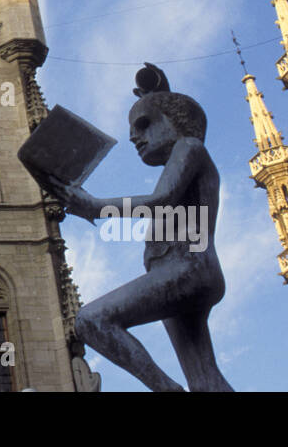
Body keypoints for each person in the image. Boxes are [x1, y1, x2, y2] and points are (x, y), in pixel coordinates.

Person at [46, 65, 233, 392]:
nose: (135, 136)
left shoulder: (189, 147)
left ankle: (166, 389)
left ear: (172, 121)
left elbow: (162, 199)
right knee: (204, 378)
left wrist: (95, 206)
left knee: (92, 320)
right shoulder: (181, 157)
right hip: (184, 273)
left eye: (144, 125)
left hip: (187, 271)